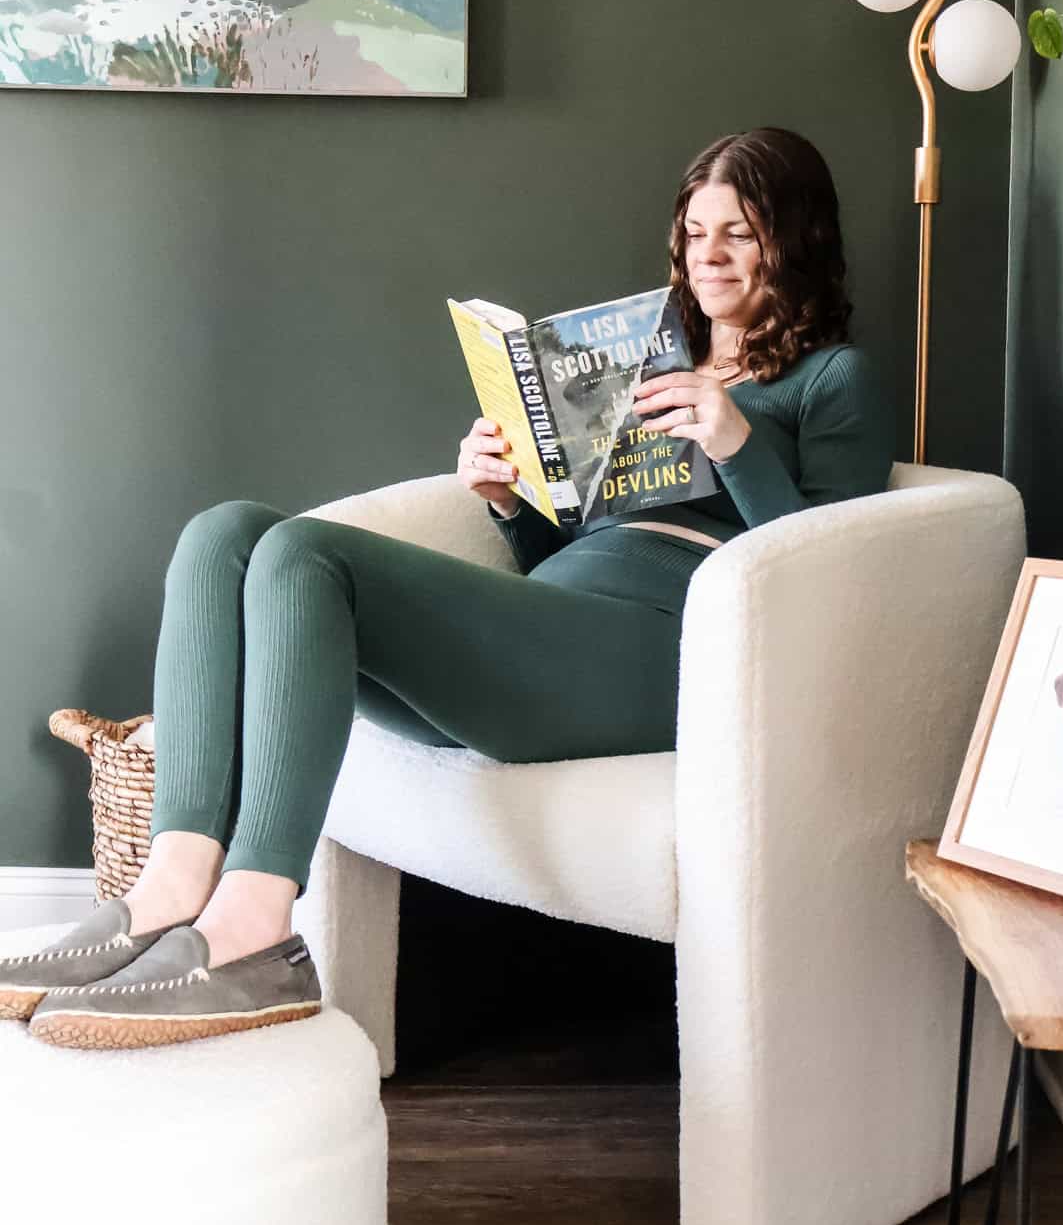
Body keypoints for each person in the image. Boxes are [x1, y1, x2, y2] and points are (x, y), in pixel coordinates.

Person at [0, 127, 894, 1050]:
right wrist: (510, 501)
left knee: (309, 555)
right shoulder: (641, 369)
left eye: (739, 234)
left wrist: (734, 438)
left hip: (658, 650)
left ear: (797, 240)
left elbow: (828, 572)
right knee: (225, 532)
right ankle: (165, 893)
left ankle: (253, 935)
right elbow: (580, 544)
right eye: (696, 231)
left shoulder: (832, 379)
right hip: (561, 623)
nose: (708, 256)